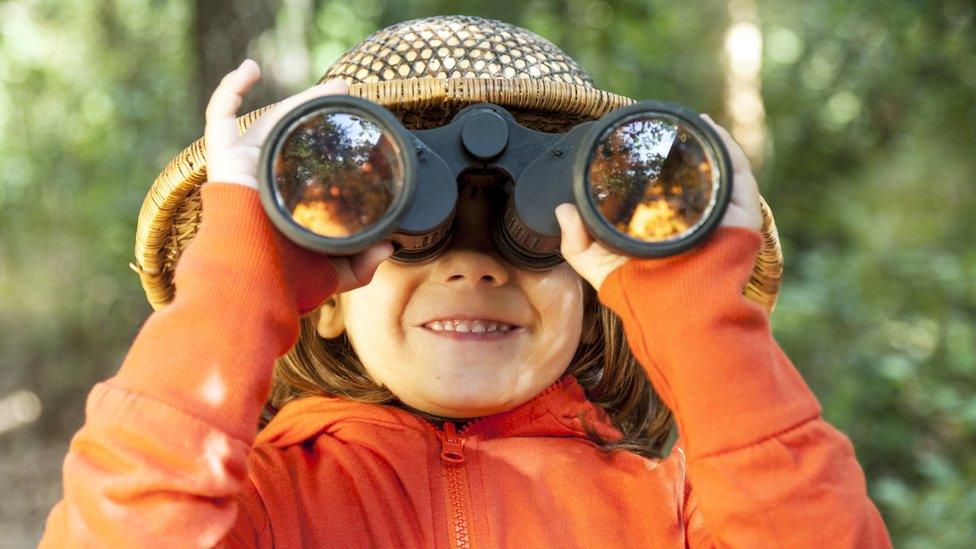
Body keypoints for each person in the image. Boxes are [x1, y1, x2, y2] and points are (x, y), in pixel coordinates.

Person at [40, 16, 892, 547]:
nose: (475, 262)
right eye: (413, 229)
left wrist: (694, 310)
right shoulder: (260, 506)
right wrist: (239, 272)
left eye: (532, 237)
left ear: (600, 299)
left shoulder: (674, 513)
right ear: (322, 298)